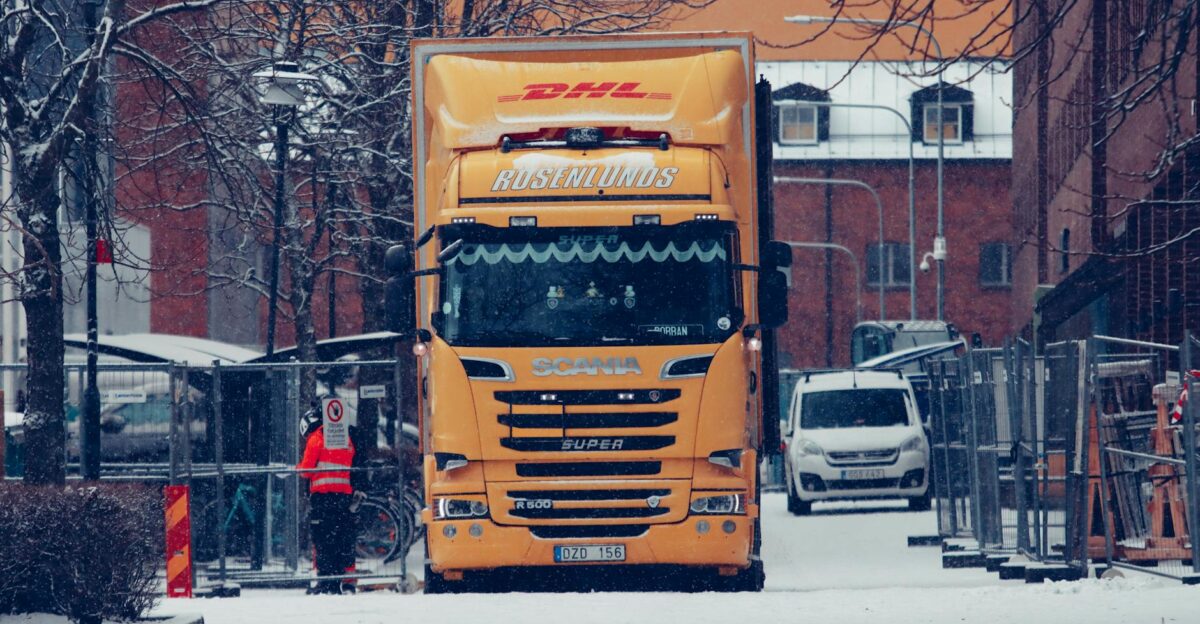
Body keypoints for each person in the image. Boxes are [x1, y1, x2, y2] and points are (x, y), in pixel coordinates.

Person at [298, 403, 362, 594]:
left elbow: (307, 469)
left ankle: (326, 581)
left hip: (323, 497)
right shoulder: (344, 438)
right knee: (341, 537)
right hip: (343, 495)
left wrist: (296, 469)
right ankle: (342, 580)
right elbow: (350, 458)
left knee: (323, 539)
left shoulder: (316, 438)